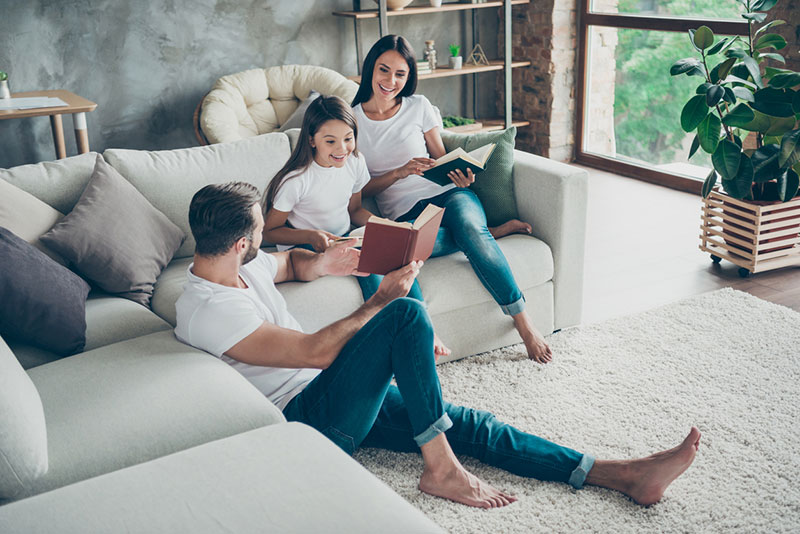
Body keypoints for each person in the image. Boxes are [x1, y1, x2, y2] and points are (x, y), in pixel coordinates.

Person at [174, 181, 701, 510]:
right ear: (242, 243)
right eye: (260, 237)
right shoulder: (208, 311)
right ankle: (441, 469)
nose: (266, 244)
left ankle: (621, 474)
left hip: (333, 393)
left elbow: (287, 263)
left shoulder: (239, 265)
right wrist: (378, 301)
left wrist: (322, 262)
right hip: (309, 420)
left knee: (468, 423)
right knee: (403, 313)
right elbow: (313, 352)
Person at [351, 34, 555, 364]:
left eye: (400, 74)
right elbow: (360, 192)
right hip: (406, 214)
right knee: (410, 251)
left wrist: (461, 176)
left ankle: (524, 324)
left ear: (409, 77)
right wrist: (399, 173)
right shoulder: (353, 121)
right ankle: (491, 233)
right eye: (383, 70)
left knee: (468, 226)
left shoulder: (418, 107)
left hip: (449, 196)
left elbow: (441, 160)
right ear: (370, 69)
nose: (390, 81)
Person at [261, 95, 450, 357]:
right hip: (306, 246)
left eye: (348, 138)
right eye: (330, 141)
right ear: (311, 140)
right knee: (369, 267)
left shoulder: (355, 163)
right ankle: (399, 340)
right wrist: (311, 235)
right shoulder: (296, 180)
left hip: (344, 236)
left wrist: (387, 227)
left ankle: (425, 325)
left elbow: (355, 211)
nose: (341, 148)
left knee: (400, 258)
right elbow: (269, 231)